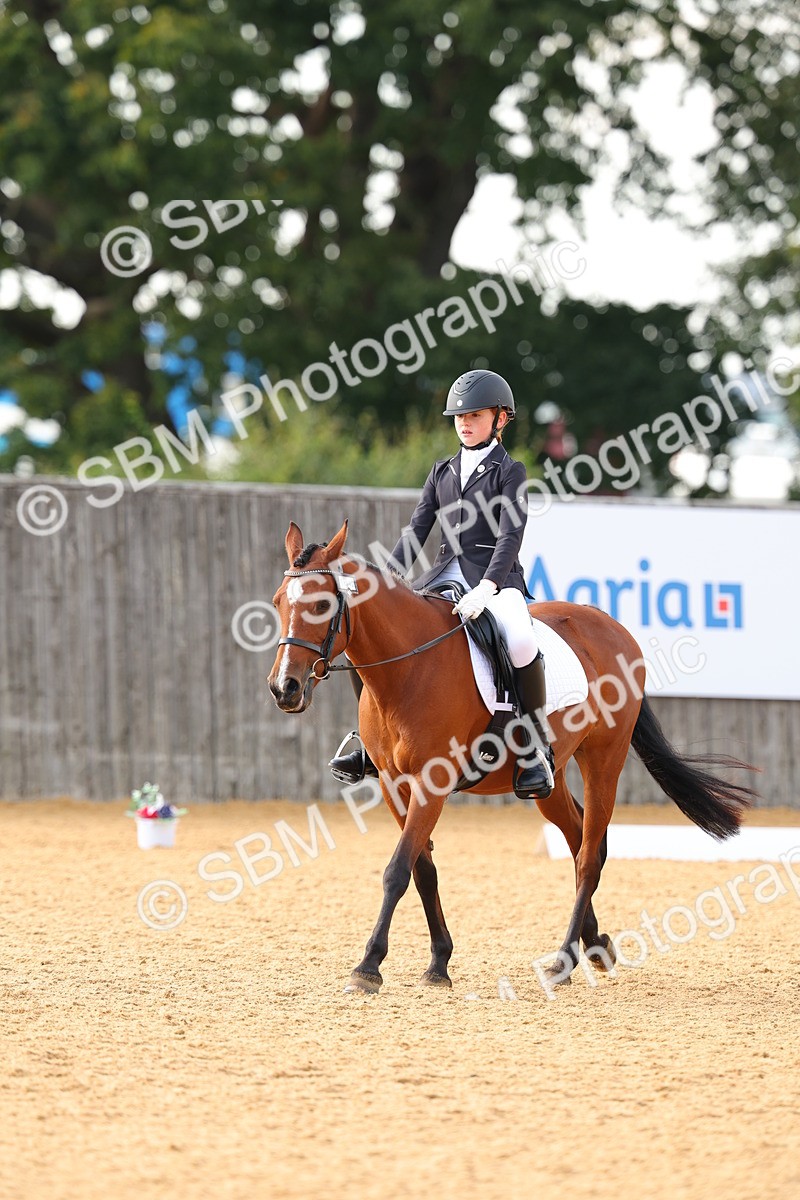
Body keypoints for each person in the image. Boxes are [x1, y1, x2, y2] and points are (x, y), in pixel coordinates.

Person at [328, 368, 555, 799]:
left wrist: (488, 588)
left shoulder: (512, 472)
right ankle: (369, 746)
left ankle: (533, 747)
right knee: (368, 630)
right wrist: (388, 576)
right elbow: (416, 529)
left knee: (522, 641)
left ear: (500, 419)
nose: (465, 423)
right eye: (458, 417)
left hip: (496, 579)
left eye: (475, 415)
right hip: (443, 574)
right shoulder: (442, 470)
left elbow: (510, 535)